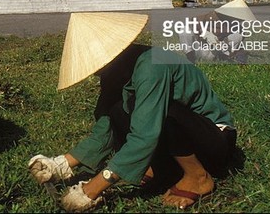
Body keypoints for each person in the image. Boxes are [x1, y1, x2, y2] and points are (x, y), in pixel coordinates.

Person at [28, 12, 241, 211]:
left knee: (165, 114)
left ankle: (198, 177)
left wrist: (91, 190)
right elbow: (105, 127)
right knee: (120, 110)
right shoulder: (115, 72)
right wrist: (62, 164)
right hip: (173, 139)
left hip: (213, 140)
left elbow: (146, 134)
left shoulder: (151, 66)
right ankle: (160, 167)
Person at [181, 0, 256, 64]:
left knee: (238, 35)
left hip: (218, 51)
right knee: (184, 29)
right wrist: (206, 33)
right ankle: (190, 58)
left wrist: (240, 56)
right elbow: (193, 21)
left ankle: (225, 57)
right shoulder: (213, 16)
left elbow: (238, 45)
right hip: (202, 48)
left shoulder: (238, 28)